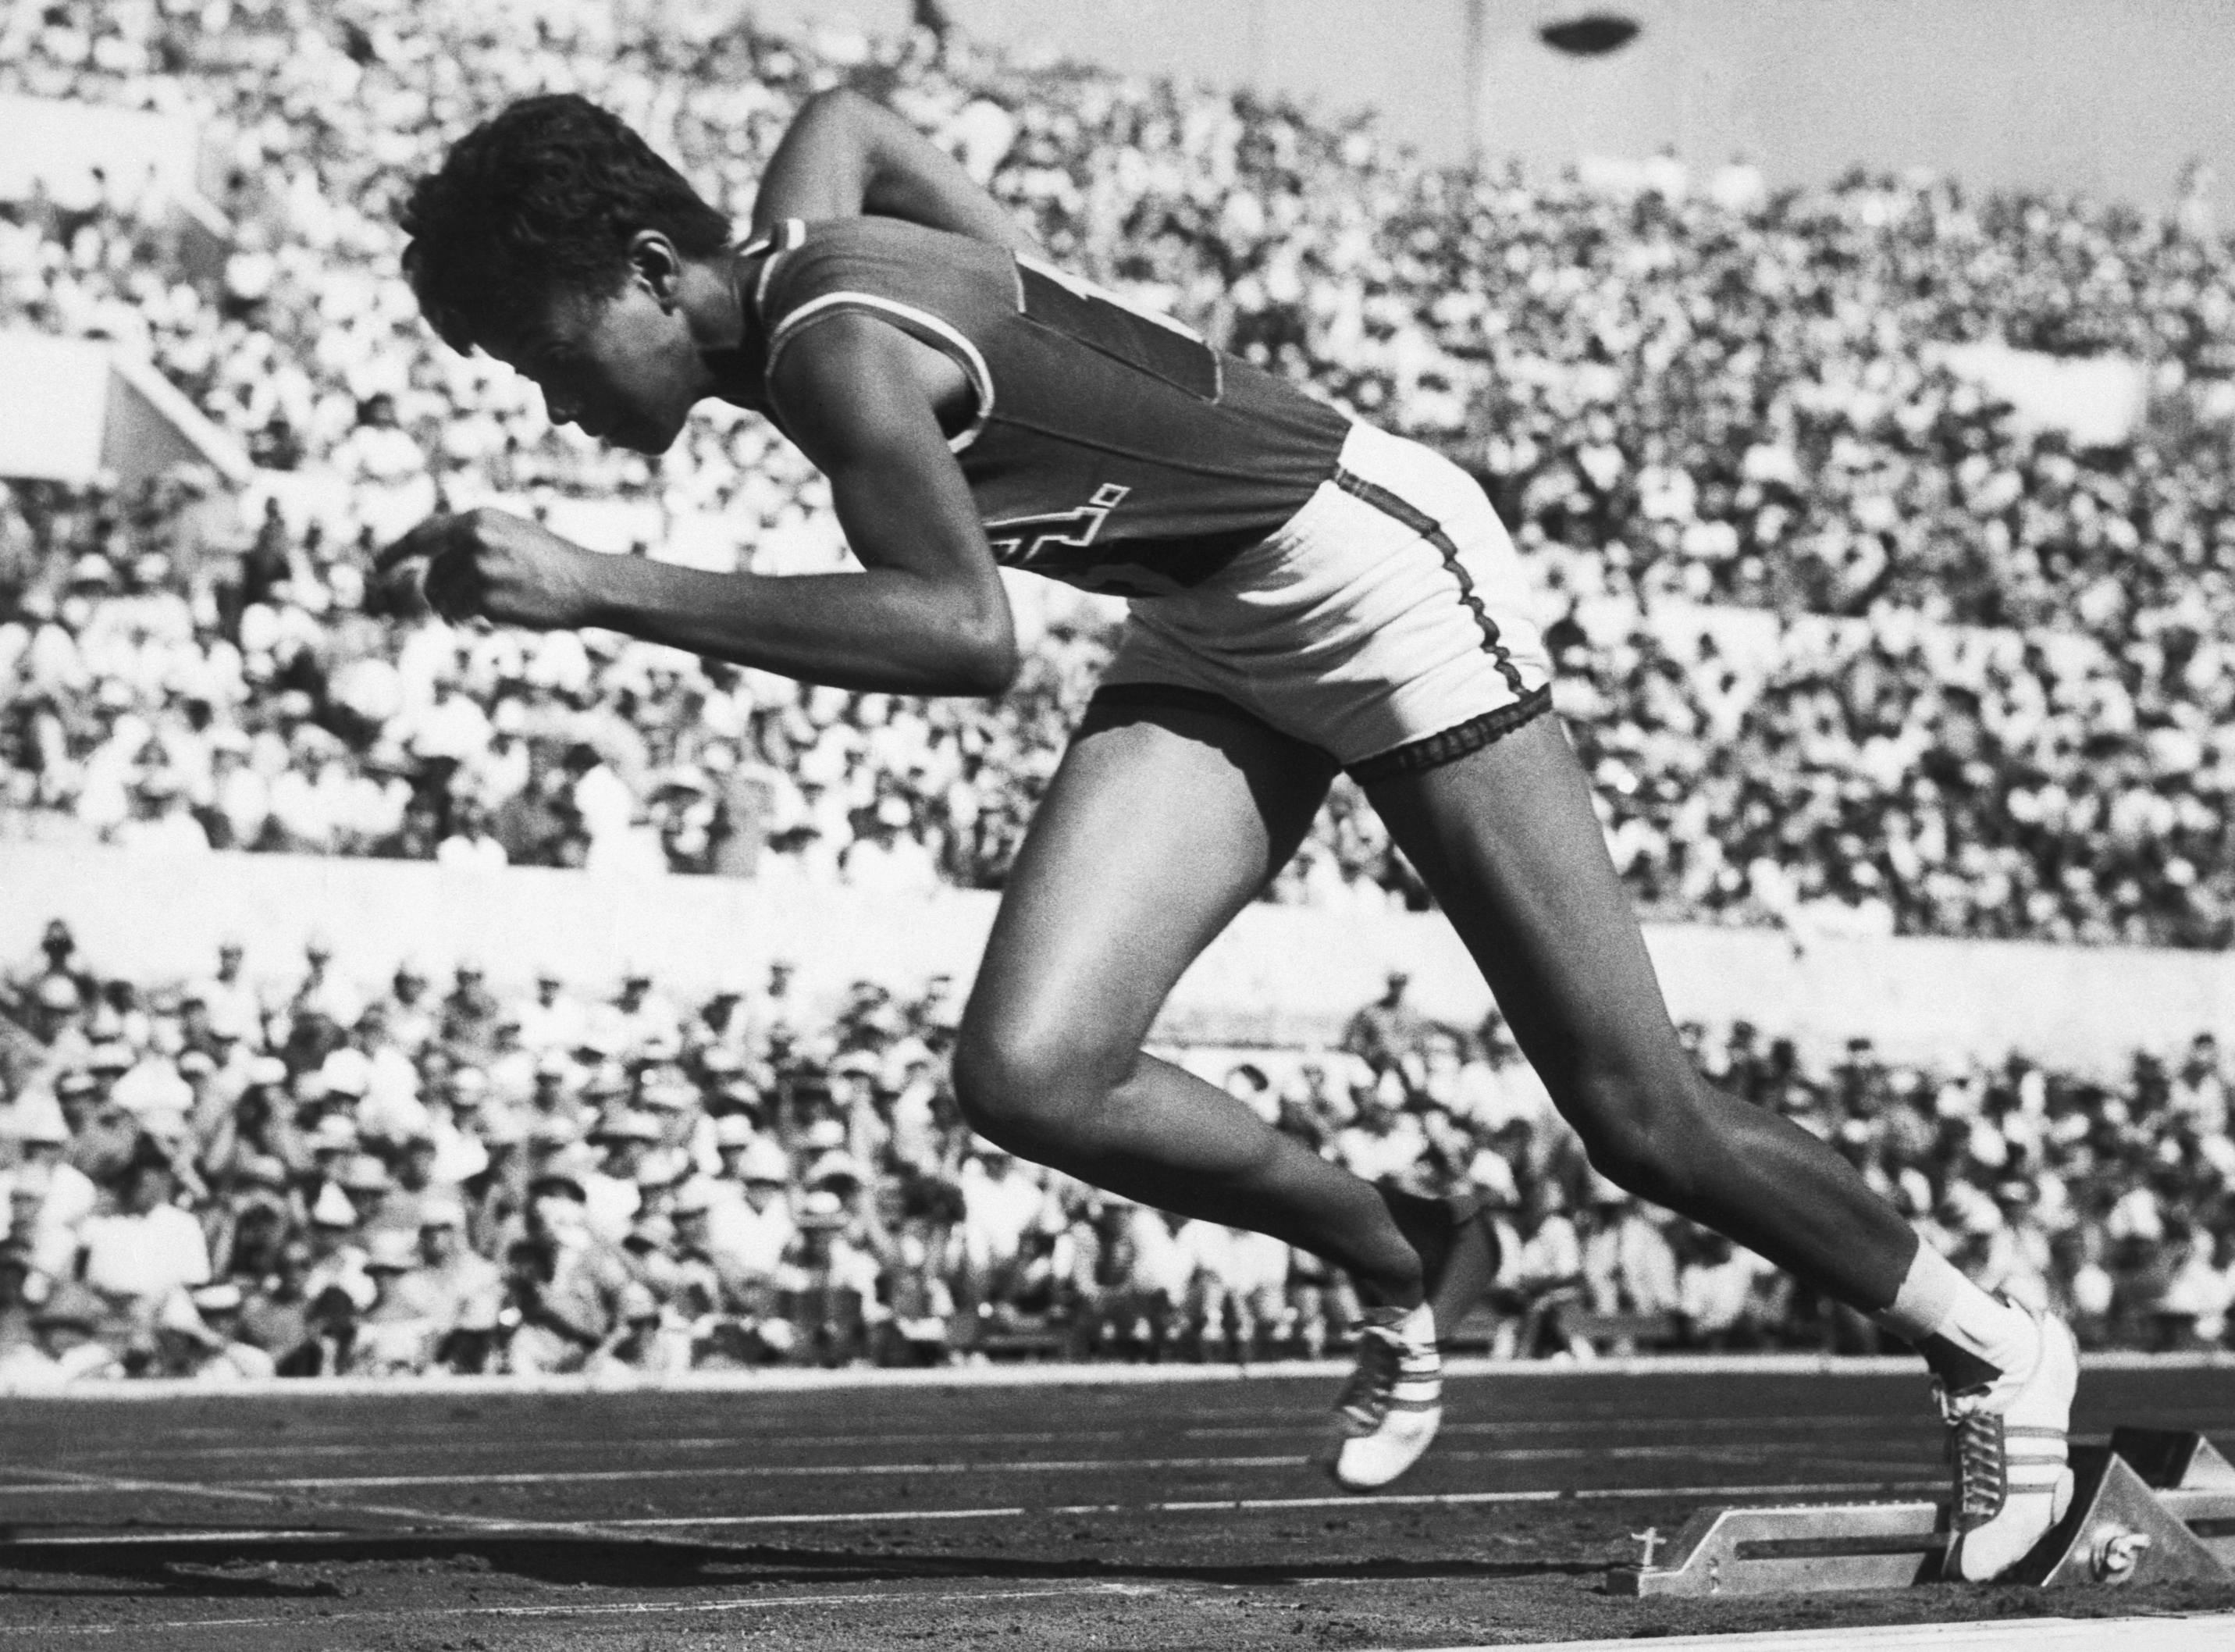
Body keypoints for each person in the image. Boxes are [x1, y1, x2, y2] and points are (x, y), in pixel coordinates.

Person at [380, 90, 2075, 1566]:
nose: (553, 402)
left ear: (651, 269)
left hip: (1374, 581)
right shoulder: (790, 254)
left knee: (1639, 1117)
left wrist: (599, 587)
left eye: (549, 353)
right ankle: (1408, 1245)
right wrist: (1054, 314)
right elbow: (853, 113)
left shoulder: (832, 345)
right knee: (1032, 1072)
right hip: (1206, 615)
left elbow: (963, 636)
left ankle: (1992, 1345)